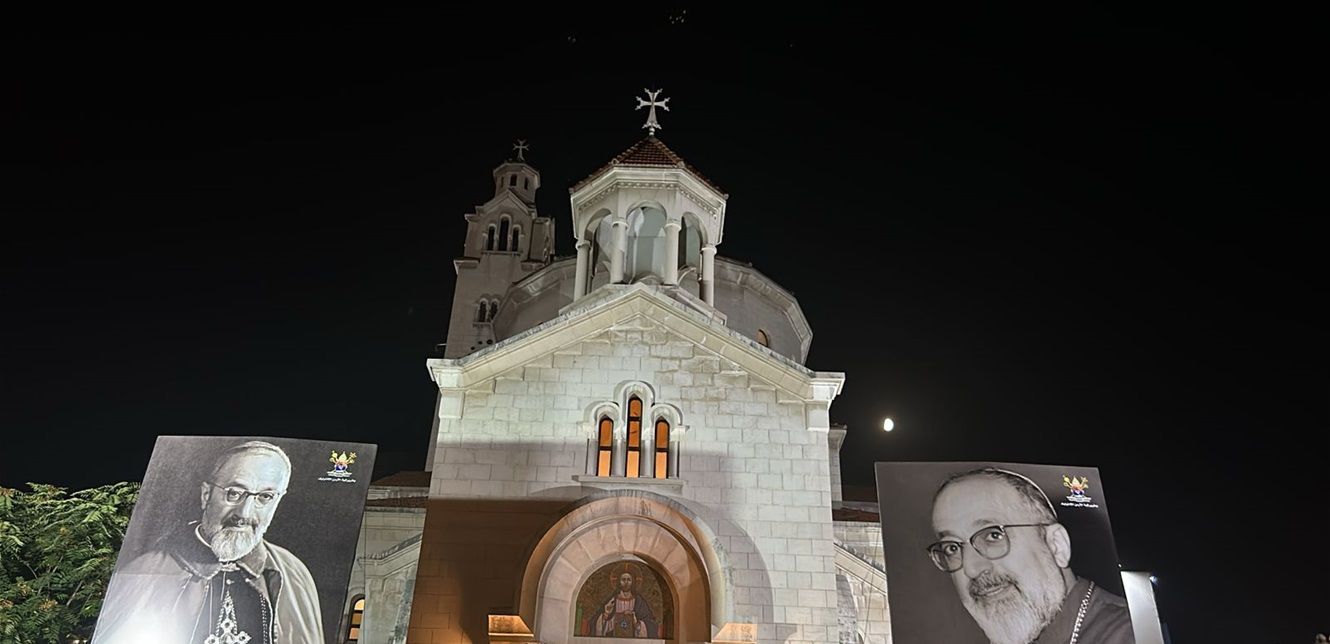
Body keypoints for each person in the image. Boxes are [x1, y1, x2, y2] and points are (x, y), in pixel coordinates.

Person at [92, 441, 323, 644]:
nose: (244, 513)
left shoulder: (294, 573)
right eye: (234, 493)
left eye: (265, 497)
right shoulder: (144, 572)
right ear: (206, 495)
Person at [927, 467, 1135, 644]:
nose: (971, 569)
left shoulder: (1128, 633)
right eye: (951, 548)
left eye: (993, 535)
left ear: (1056, 545)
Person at [585, 565, 660, 637]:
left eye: (629, 580)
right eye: (623, 579)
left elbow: (651, 625)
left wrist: (637, 624)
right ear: (618, 582)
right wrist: (606, 615)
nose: (626, 582)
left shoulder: (639, 602)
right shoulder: (612, 601)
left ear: (633, 582)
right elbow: (597, 626)